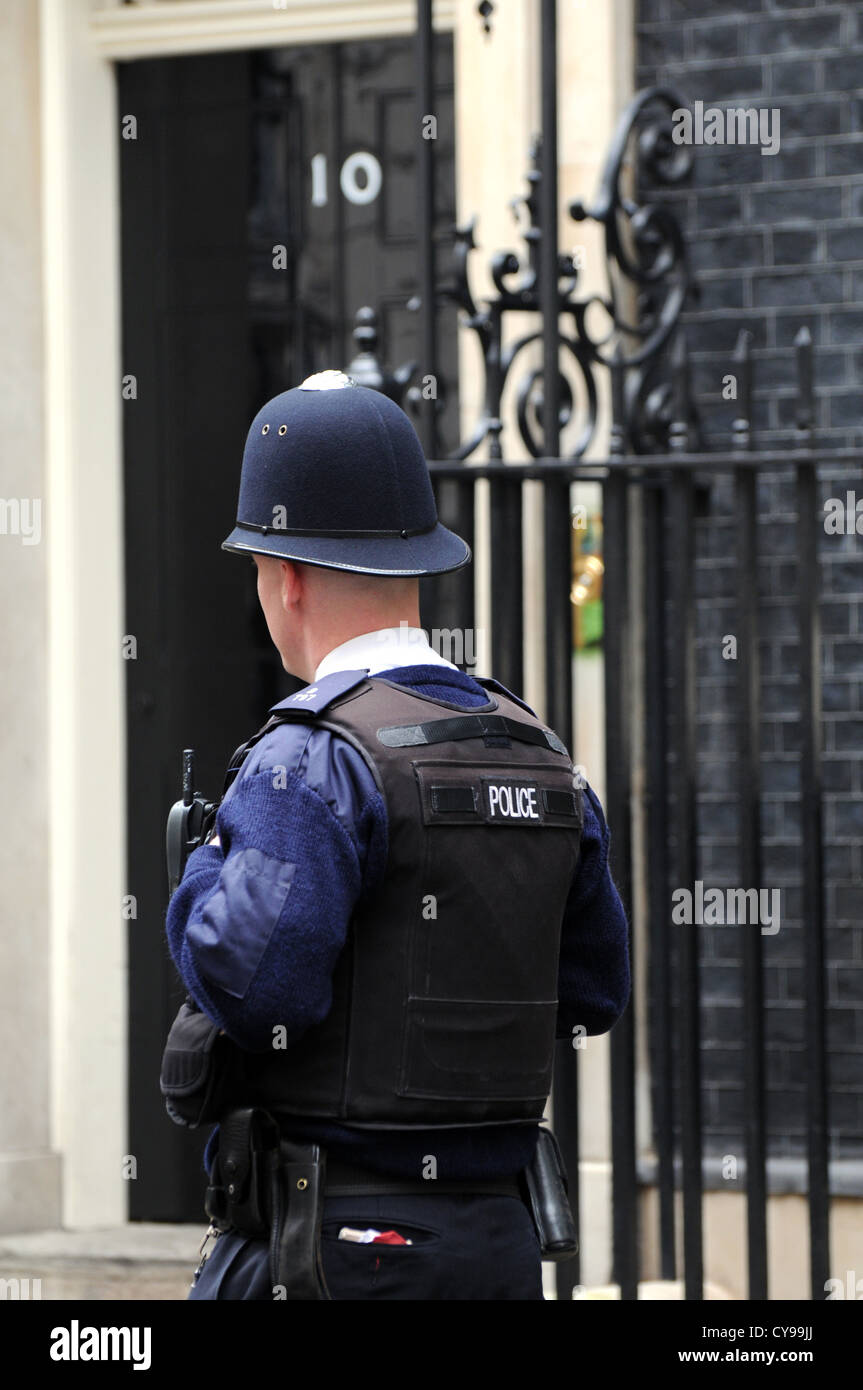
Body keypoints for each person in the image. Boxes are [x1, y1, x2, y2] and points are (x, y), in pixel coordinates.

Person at [164, 369, 630, 1301]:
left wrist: (199, 875)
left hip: (333, 1247)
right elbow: (591, 990)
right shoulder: (535, 748)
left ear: (285, 576)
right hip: (497, 1242)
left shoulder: (311, 754)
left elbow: (254, 982)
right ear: (415, 566)